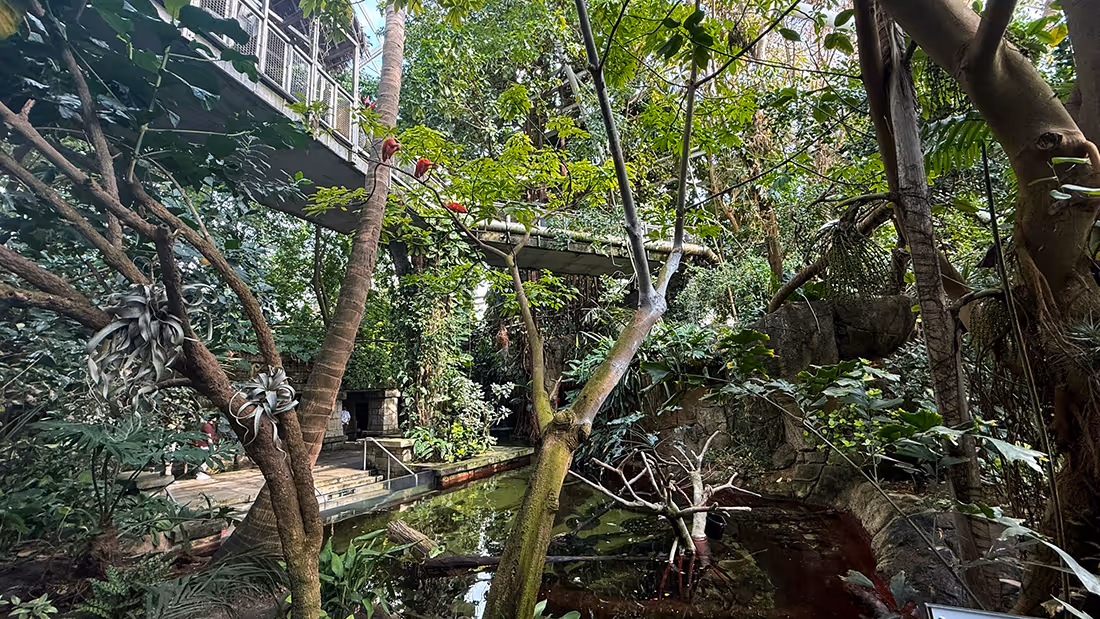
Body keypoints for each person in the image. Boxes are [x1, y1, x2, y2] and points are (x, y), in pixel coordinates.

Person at [194, 415, 218, 480]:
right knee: (205, 459)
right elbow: (209, 437)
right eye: (215, 417)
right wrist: (211, 447)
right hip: (205, 445)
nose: (216, 418)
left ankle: (201, 473)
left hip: (206, 445)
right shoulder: (207, 426)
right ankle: (200, 474)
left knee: (206, 459)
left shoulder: (211, 426)